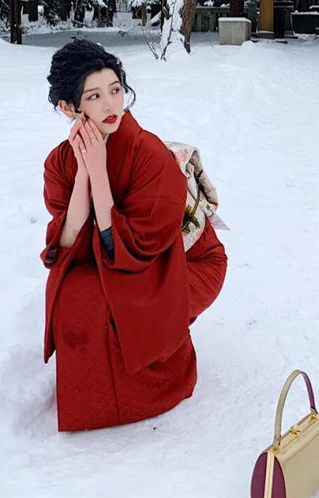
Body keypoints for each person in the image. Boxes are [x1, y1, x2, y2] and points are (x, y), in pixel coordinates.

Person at [42, 39, 227, 431]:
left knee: (113, 305)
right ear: (68, 108)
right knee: (73, 291)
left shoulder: (150, 154)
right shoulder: (60, 163)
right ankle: (93, 395)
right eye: (94, 96)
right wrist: (84, 174)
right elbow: (65, 246)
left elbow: (138, 251)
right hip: (124, 264)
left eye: (116, 89)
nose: (112, 105)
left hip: (182, 265)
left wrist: (100, 176)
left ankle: (157, 381)